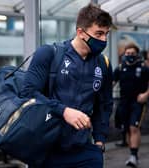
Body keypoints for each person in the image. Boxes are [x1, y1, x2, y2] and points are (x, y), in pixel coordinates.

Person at [21, 3, 113, 168]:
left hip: (83, 149)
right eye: (99, 34)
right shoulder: (49, 53)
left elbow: (104, 104)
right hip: (46, 148)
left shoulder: (103, 64)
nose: (104, 40)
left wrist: (99, 140)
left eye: (106, 34)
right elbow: (28, 93)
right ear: (80, 32)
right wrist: (63, 111)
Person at [113, 43, 149, 167]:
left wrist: (146, 94)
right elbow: (112, 82)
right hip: (123, 103)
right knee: (128, 129)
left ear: (137, 54)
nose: (130, 56)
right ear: (124, 54)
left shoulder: (143, 68)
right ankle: (132, 153)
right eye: (128, 54)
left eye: (132, 54)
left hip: (138, 103)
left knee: (134, 127)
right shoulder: (120, 68)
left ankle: (134, 156)